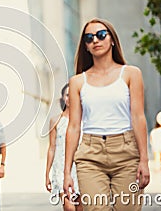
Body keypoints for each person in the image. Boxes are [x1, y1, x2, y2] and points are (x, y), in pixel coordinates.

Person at [63, 18, 150, 210]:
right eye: (89, 38)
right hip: (90, 155)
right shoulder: (77, 81)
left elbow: (138, 118)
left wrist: (144, 160)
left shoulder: (131, 74)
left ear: (112, 40)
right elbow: (74, 127)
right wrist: (67, 172)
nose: (95, 40)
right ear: (85, 46)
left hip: (126, 152)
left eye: (101, 35)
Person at [45, 83, 82, 211]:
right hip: (61, 169)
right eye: (67, 95)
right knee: (69, 208)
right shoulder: (55, 120)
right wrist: (47, 174)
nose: (70, 98)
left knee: (81, 207)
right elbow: (52, 147)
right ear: (62, 98)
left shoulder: (84, 120)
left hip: (81, 169)